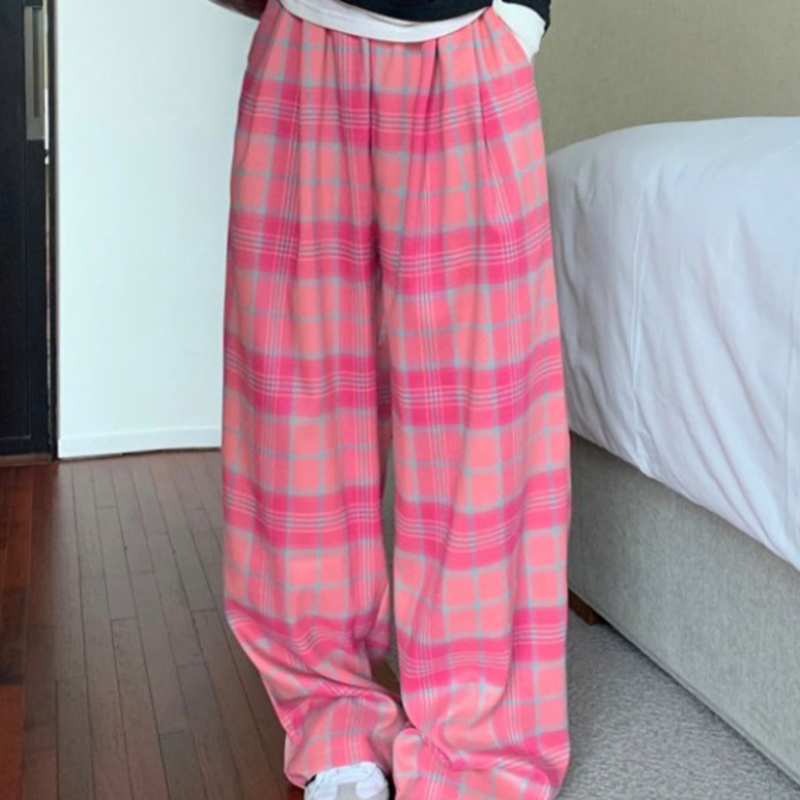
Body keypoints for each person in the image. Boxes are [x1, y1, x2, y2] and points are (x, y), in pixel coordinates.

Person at [219, 0, 571, 796]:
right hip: (304, 42)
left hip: (468, 42)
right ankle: (332, 719)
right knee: (296, 408)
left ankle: (476, 749)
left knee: (482, 421)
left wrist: (523, 17)